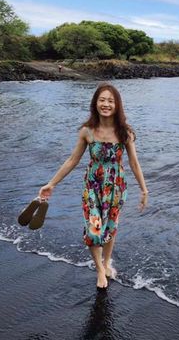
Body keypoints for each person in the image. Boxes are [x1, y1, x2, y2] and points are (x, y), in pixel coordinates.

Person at [38, 82, 148, 290]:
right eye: (102, 100)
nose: (106, 104)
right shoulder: (87, 131)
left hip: (116, 187)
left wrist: (144, 189)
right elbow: (72, 160)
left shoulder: (125, 132)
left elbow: (134, 163)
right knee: (94, 230)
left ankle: (107, 261)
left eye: (110, 101)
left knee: (110, 227)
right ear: (95, 103)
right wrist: (51, 184)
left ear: (117, 105)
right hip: (93, 187)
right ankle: (99, 269)